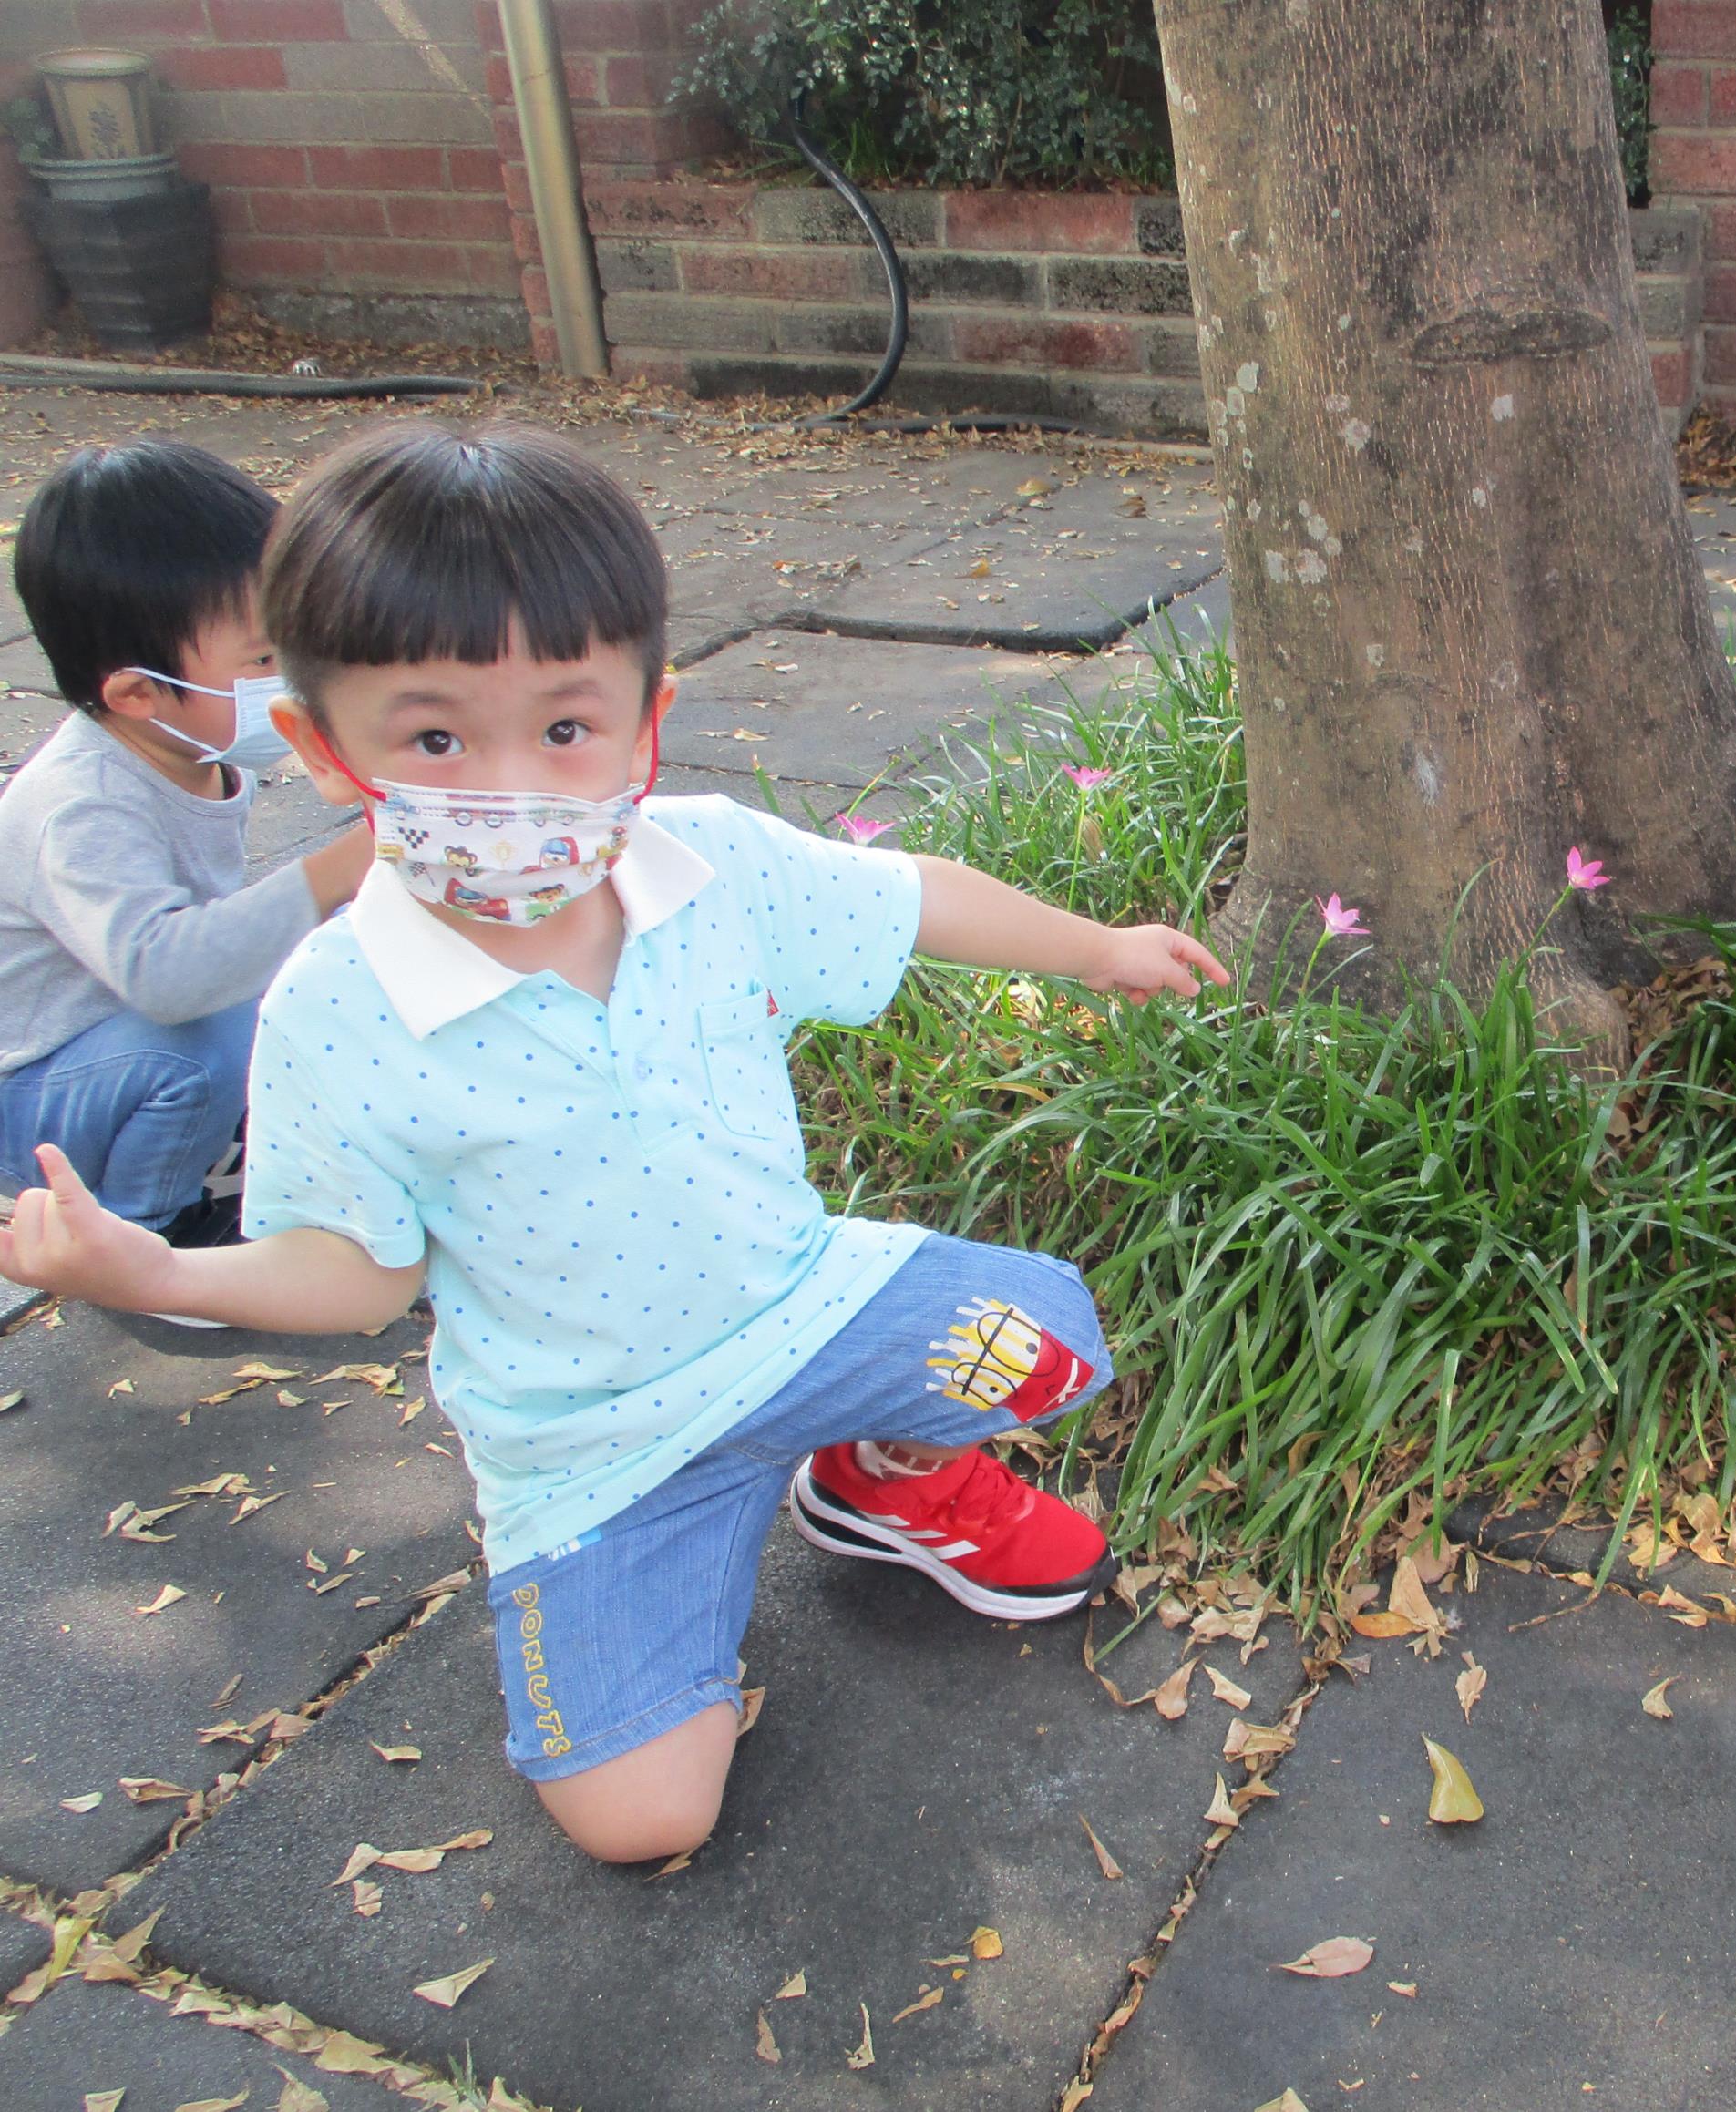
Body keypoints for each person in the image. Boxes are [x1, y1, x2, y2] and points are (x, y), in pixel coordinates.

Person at [0, 422, 1228, 1862]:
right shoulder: (336, 1007)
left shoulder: (710, 861)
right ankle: (666, 1562)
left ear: (648, 720)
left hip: (796, 1311)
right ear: (324, 747)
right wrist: (155, 1272)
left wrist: (1096, 947)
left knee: (1044, 1341)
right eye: (436, 737)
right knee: (642, 1819)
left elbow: (909, 896)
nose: (508, 782)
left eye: (565, 728)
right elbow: (356, 1272)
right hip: (595, 1444)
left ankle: (874, 1475)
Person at [0, 441, 373, 1253]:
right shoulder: (83, 806)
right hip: (34, 1088)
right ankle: (141, 1230)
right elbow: (166, 978)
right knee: (216, 1036)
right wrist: (341, 867)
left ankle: (212, 1157)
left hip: (116, 1050)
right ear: (137, 693)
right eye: (266, 659)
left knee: (294, 986)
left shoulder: (190, 744)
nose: (295, 675)